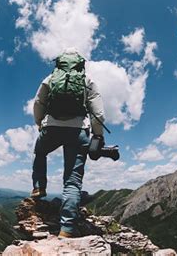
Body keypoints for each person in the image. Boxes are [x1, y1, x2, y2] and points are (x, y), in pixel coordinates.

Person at [31, 48, 105, 238]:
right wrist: (98, 136)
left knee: (40, 151)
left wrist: (40, 124)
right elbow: (98, 114)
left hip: (51, 128)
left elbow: (38, 103)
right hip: (78, 130)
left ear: (60, 63)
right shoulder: (87, 82)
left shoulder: (50, 79)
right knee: (72, 182)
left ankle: (39, 186)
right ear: (81, 64)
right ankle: (67, 229)